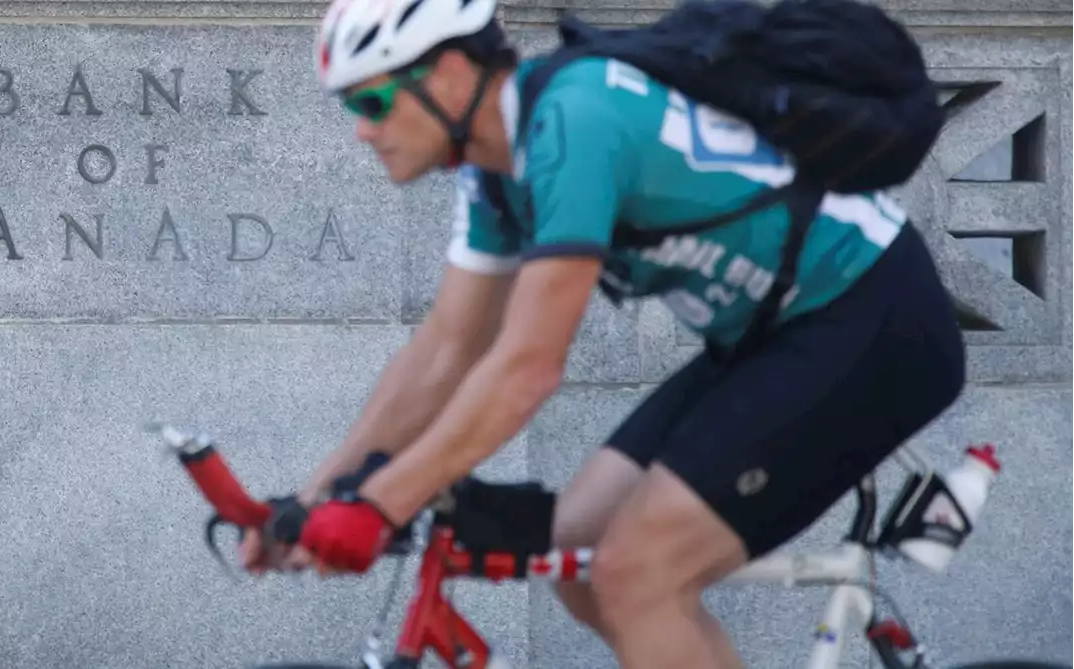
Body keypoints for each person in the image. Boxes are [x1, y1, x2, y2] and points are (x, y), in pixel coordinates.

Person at [240, 0, 967, 665]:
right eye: (350, 107)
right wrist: (315, 500)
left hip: (872, 314)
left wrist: (381, 502)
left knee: (635, 571)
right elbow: (443, 352)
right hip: (769, 333)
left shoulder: (575, 121)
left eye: (372, 99)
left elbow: (526, 367)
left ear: (454, 76)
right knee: (581, 558)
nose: (362, 128)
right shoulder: (495, 170)